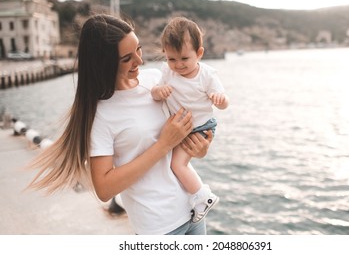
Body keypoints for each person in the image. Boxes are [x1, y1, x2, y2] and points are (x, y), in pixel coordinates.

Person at [26, 13, 213, 235]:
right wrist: (163, 144)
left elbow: (182, 135)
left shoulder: (156, 79)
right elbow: (104, 189)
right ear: (105, 63)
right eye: (127, 59)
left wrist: (200, 148)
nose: (140, 60)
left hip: (194, 210)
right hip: (158, 226)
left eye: (138, 49)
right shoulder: (101, 114)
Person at [151, 17, 229, 223]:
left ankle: (204, 197)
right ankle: (191, 197)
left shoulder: (207, 76)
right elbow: (155, 92)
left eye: (184, 59)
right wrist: (160, 91)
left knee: (177, 165)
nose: (178, 65)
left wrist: (219, 100)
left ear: (199, 54)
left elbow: (223, 102)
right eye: (171, 59)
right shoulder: (167, 72)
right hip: (182, 127)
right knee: (170, 162)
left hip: (201, 127)